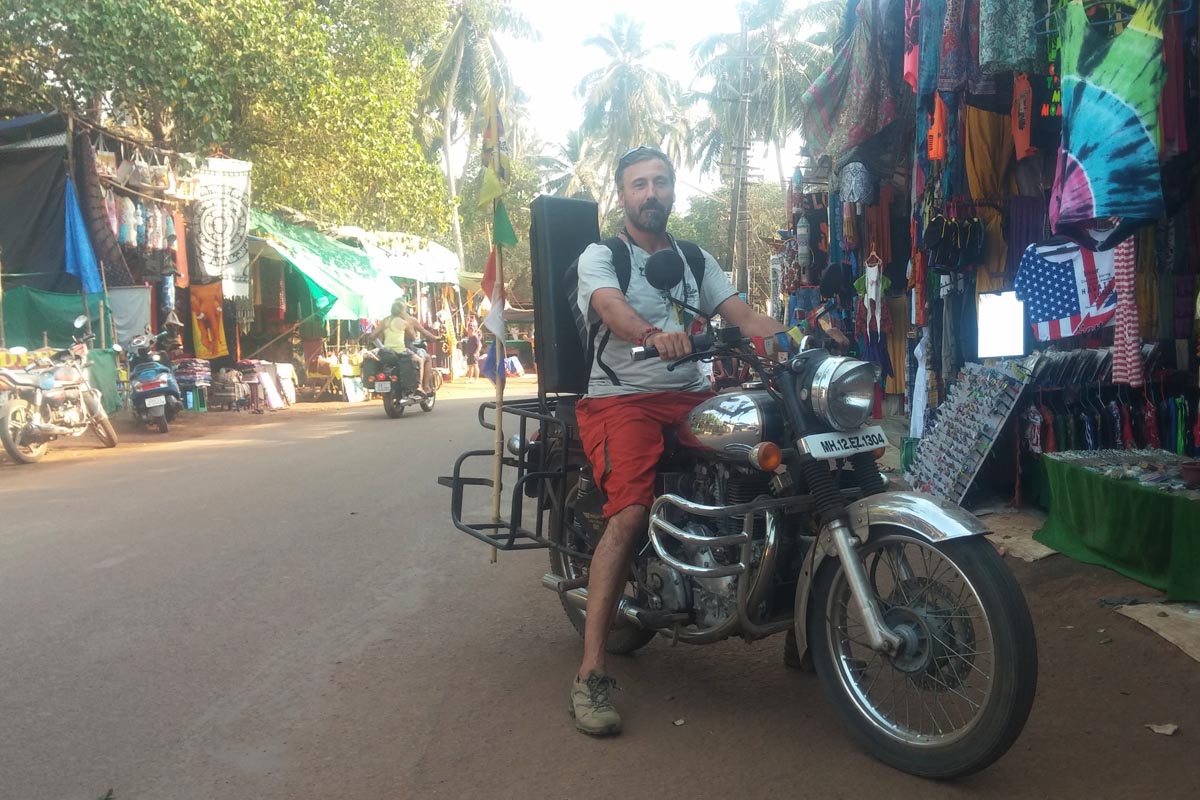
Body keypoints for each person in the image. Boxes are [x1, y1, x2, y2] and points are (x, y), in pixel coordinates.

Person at [569, 145, 786, 736]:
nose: (652, 193)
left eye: (661, 182)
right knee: (631, 512)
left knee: (776, 466)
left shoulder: (693, 257)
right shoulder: (602, 254)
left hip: (691, 396)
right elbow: (611, 309)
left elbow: (742, 315)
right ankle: (591, 671)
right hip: (622, 399)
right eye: (639, 183)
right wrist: (652, 334)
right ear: (623, 194)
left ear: (673, 189)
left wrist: (795, 334)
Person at [369, 298, 441, 394]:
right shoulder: (408, 321)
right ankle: (422, 387)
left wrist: (381, 346)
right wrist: (435, 338)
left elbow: (372, 336)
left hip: (387, 351)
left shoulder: (385, 321)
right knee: (424, 359)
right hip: (403, 349)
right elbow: (415, 337)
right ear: (403, 310)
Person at [461, 318, 481, 382]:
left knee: (475, 366)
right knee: (470, 366)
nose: (468, 332)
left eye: (469, 331)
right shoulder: (469, 338)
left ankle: (476, 379)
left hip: (474, 354)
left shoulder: (475, 337)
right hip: (469, 354)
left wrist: (476, 352)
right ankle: (470, 378)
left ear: (472, 331)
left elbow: (479, 345)